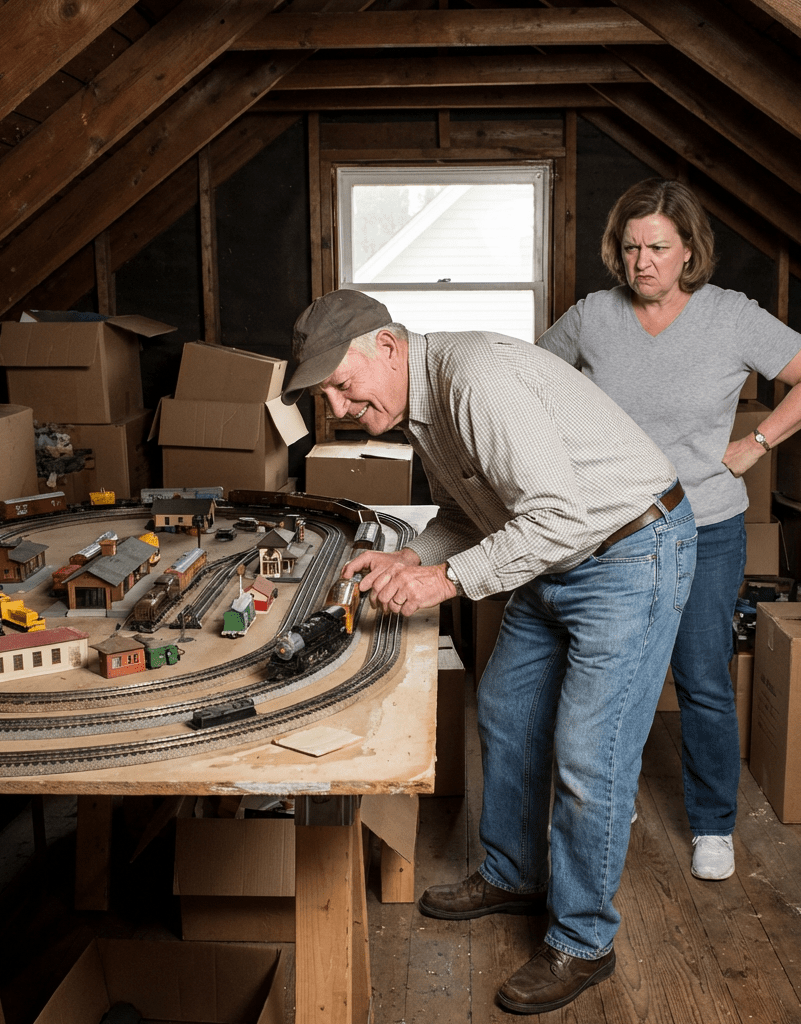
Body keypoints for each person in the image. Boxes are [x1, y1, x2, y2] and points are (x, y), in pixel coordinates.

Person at [281, 288, 698, 1015]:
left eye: (343, 387)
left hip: (629, 552)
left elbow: (557, 515)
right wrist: (406, 557)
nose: (340, 410)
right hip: (555, 553)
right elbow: (471, 510)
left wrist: (442, 580)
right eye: (327, 398)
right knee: (505, 708)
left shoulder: (474, 380)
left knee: (588, 756)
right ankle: (512, 874)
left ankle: (582, 942)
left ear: (386, 345)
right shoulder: (421, 406)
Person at [537, 178, 801, 881]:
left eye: (658, 247)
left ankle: (712, 824)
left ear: (688, 252)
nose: (642, 261)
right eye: (631, 245)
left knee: (701, 677)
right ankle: (611, 798)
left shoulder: (732, 317)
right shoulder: (591, 316)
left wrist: (756, 445)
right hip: (610, 530)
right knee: (608, 674)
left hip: (704, 525)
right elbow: (530, 383)